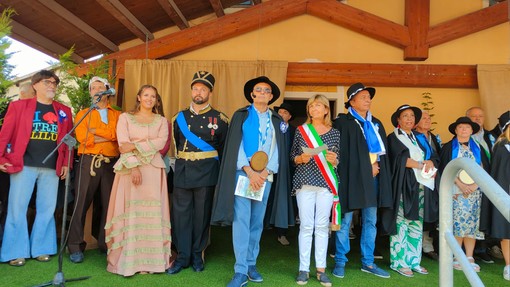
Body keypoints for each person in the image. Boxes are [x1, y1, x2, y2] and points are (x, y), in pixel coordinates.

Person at [211, 76, 294, 287]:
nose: (263, 93)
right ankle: (239, 270)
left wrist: (265, 172)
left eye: (267, 90)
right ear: (252, 94)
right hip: (244, 174)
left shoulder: (277, 120)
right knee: (242, 221)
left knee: (257, 222)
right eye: (259, 90)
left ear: (272, 96)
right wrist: (249, 171)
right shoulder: (241, 116)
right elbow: (235, 145)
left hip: (265, 176)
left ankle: (251, 264)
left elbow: (278, 149)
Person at [0, 70, 73, 266]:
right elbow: (5, 133)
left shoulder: (64, 110)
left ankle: (41, 249)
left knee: (47, 209)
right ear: (35, 85)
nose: (52, 85)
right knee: (17, 209)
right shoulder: (18, 106)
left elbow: (68, 141)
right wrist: (0, 157)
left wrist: (66, 162)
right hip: (23, 164)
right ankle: (15, 252)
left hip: (51, 167)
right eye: (47, 82)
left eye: (54, 83)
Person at [104, 85, 171, 276]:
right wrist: (133, 166)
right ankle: (128, 262)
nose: (150, 99)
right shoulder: (125, 118)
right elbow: (122, 144)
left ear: (157, 101)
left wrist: (134, 146)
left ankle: (151, 263)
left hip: (153, 170)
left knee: (151, 214)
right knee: (131, 212)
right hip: (128, 169)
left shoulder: (162, 121)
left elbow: (161, 142)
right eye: (146, 95)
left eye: (153, 96)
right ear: (139, 97)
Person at [167, 71, 228, 274]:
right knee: (180, 215)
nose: (198, 92)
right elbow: (176, 143)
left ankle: (197, 255)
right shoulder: (179, 117)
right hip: (183, 170)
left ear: (210, 92)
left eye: (203, 89)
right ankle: (182, 256)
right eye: (195, 88)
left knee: (201, 216)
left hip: (207, 171)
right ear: (191, 91)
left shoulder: (220, 119)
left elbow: (222, 147)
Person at [331, 82, 392, 279]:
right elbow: (344, 155)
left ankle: (368, 261)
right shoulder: (343, 123)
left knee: (370, 220)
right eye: (363, 96)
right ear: (351, 101)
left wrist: (377, 168)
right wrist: (367, 168)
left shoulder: (376, 123)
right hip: (350, 179)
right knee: (346, 219)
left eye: (369, 96)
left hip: (373, 178)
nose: (368, 99)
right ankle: (340, 260)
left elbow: (382, 154)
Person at [67, 76, 121, 263]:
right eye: (93, 87)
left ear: (107, 90)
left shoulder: (117, 115)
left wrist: (95, 132)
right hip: (88, 161)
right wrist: (106, 136)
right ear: (90, 92)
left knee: (109, 204)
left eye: (101, 87)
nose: (97, 90)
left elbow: (117, 136)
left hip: (111, 163)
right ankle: (75, 246)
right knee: (81, 203)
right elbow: (83, 139)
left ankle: (105, 243)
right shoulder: (83, 113)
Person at [384, 105, 438, 277]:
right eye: (405, 116)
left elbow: (430, 156)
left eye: (412, 116)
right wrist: (421, 164)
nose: (409, 119)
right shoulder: (393, 137)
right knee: (401, 222)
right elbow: (401, 160)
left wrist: (429, 162)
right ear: (398, 120)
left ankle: (414, 260)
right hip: (402, 186)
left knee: (416, 223)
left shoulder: (418, 137)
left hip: (420, 186)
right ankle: (399, 261)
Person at [292, 95, 340, 287]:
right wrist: (299, 159)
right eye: (311, 106)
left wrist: (334, 160)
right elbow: (292, 156)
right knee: (305, 226)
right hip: (305, 181)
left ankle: (321, 269)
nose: (314, 108)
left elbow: (339, 159)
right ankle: (303, 269)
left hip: (326, 184)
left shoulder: (335, 132)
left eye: (318, 105)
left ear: (327, 109)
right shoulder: (301, 131)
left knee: (321, 227)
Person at [439, 116, 490, 273]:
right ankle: (457, 256)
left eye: (467, 127)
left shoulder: (478, 148)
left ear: (471, 130)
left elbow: (483, 168)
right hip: (456, 191)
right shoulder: (448, 147)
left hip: (475, 192)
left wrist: (475, 185)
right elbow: (444, 169)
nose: (464, 130)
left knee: (472, 224)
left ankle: (469, 256)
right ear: (455, 130)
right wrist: (460, 184)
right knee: (458, 223)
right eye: (460, 127)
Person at [465, 106, 499, 263]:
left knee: (489, 214)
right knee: (474, 215)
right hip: (471, 184)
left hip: (494, 182)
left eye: (480, 116)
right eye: (474, 116)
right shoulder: (463, 137)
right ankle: (475, 250)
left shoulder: (492, 137)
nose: (477, 119)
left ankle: (485, 247)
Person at [264, 102, 296, 246]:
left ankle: (281, 232)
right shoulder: (270, 127)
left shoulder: (295, 131)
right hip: (269, 168)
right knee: (267, 196)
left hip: (288, 171)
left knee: (285, 199)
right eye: (280, 112)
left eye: (285, 113)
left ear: (290, 117)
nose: (282, 114)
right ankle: (265, 225)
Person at [483, 111, 510, 280]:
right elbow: (500, 175)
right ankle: (508, 265)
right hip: (507, 194)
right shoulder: (502, 147)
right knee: (507, 232)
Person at [414, 110, 441, 261]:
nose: (427, 120)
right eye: (423, 118)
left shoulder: (433, 138)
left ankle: (428, 245)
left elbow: (438, 157)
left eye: (429, 118)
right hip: (419, 180)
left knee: (431, 212)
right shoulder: (413, 137)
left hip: (433, 180)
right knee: (419, 211)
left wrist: (434, 165)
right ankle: (417, 245)